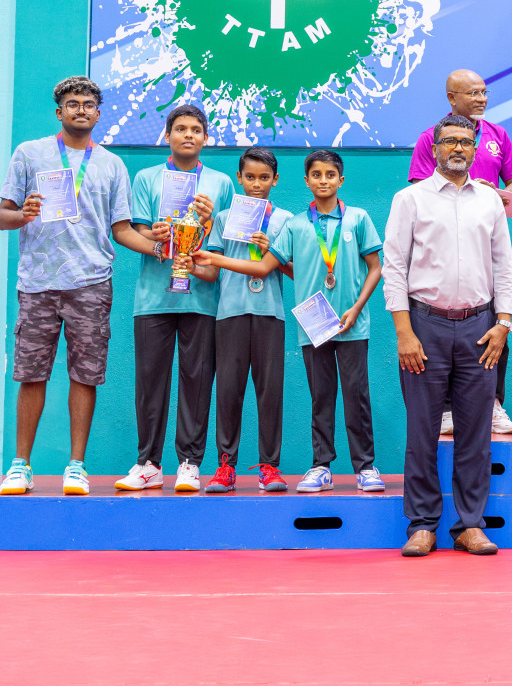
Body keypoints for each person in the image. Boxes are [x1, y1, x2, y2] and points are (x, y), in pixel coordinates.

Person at [0, 77, 157, 496]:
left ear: (98, 114)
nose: (81, 109)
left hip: (91, 283)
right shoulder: (29, 154)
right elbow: (3, 215)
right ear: (60, 112)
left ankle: (76, 466)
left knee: (84, 376)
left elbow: (122, 230)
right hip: (38, 282)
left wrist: (164, 248)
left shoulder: (112, 164)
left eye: (88, 104)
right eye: (73, 104)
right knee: (31, 375)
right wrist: (24, 215)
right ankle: (20, 466)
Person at [196, 149, 385, 493]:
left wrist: (357, 307)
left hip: (341, 320)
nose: (323, 181)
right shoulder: (290, 223)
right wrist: (209, 258)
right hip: (307, 321)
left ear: (341, 179)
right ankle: (316, 466)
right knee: (317, 397)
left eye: (330, 174)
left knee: (353, 395)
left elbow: (373, 267)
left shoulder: (347, 219)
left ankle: (362, 467)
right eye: (317, 175)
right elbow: (259, 266)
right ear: (306, 180)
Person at [383, 114, 512, 557]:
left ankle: (469, 525)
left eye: (466, 141)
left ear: (475, 149)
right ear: (434, 147)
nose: (458, 147)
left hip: (481, 329)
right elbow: (394, 267)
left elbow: (503, 265)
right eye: (450, 141)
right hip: (424, 326)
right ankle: (422, 525)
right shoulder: (410, 199)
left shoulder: (490, 200)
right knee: (422, 430)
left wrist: (503, 323)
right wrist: (404, 331)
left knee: (475, 433)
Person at [116, 104, 235, 493]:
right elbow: (137, 231)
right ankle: (148, 463)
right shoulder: (147, 178)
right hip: (153, 297)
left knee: (197, 382)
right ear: (167, 135)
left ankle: (189, 463)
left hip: (202, 297)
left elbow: (227, 241)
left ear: (205, 138)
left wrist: (209, 220)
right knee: (150, 382)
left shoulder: (220, 183)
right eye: (180, 128)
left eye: (196, 129)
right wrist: (156, 239)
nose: (188, 135)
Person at [407, 69, 512, 436]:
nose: (481, 99)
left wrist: (489, 194)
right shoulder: (430, 138)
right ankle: (446, 410)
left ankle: (494, 404)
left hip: (484, 242)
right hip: (443, 249)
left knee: (495, 324)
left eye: (484, 92)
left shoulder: (498, 135)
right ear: (451, 98)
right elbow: (422, 189)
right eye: (473, 93)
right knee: (442, 339)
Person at [197, 148, 293, 493]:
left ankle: (270, 467)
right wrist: (187, 261)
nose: (256, 184)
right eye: (249, 177)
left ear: (275, 180)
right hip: (231, 312)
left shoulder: (285, 220)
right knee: (228, 390)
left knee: (270, 392)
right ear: (239, 178)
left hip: (270, 313)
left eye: (264, 178)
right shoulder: (223, 219)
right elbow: (210, 270)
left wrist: (273, 252)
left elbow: (296, 273)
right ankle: (225, 466)